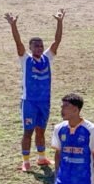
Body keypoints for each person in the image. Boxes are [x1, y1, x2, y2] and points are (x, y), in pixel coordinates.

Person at [5, 9, 65, 172]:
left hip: (44, 101)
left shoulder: (47, 58)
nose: (39, 48)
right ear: (30, 48)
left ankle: (41, 158)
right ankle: (25, 161)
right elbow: (18, 43)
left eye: (41, 46)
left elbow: (57, 41)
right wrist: (13, 26)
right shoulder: (25, 60)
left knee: (41, 130)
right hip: (29, 101)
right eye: (36, 46)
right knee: (28, 131)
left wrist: (59, 22)